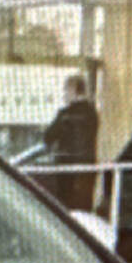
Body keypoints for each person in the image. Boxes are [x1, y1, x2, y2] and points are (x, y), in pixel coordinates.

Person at [41, 73, 100, 210]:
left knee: (65, 208)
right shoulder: (92, 114)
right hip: (87, 167)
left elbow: (48, 136)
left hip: (67, 169)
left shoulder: (65, 115)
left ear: (73, 90)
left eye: (66, 90)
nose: (64, 95)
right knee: (84, 206)